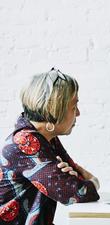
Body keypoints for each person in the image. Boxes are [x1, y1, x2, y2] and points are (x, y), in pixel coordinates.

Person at [0, 68, 100, 224]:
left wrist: (77, 180)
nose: (78, 113)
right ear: (53, 111)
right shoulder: (26, 143)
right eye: (73, 107)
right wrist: (93, 181)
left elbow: (75, 178)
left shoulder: (45, 138)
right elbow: (77, 193)